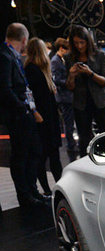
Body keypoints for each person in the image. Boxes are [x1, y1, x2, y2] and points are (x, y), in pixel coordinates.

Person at [0, 22, 45, 209]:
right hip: (17, 115)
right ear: (24, 39)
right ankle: (25, 196)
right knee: (21, 156)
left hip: (23, 113)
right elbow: (5, 88)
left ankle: (32, 191)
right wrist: (22, 108)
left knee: (33, 152)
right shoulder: (5, 56)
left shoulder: (11, 55)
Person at [65, 25, 105, 155]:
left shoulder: (101, 55)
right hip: (81, 104)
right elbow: (69, 87)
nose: (79, 46)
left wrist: (90, 73)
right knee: (84, 140)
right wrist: (71, 75)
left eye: (82, 42)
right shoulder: (69, 58)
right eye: (76, 43)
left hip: (101, 102)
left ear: (88, 41)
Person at [24, 37, 62, 194]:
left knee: (51, 155)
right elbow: (30, 95)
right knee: (46, 155)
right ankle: (48, 189)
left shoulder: (38, 69)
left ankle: (54, 188)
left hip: (48, 117)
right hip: (44, 118)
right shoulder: (34, 70)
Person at [50, 37, 77, 159]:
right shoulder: (55, 61)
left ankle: (72, 144)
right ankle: (71, 145)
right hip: (64, 97)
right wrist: (68, 82)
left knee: (70, 122)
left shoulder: (61, 60)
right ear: (62, 48)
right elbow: (55, 79)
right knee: (68, 122)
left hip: (68, 96)